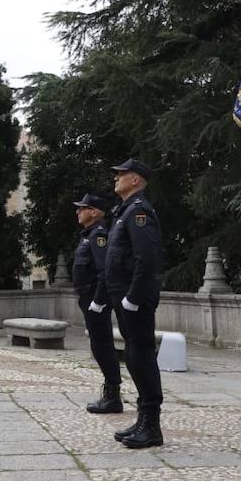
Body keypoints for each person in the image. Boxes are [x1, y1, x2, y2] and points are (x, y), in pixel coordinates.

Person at [90, 158, 164, 448]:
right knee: (134, 357)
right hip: (123, 296)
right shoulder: (125, 211)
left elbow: (147, 259)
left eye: (121, 175)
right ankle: (144, 419)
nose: (115, 178)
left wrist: (133, 297)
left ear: (135, 180)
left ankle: (152, 425)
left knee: (142, 357)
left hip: (136, 299)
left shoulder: (138, 212)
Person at [72, 192, 122, 414]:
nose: (78, 212)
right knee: (98, 344)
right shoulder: (89, 235)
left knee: (102, 345)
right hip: (88, 297)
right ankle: (111, 393)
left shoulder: (98, 235)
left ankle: (112, 396)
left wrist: (99, 301)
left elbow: (104, 272)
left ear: (93, 212)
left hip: (94, 297)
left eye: (82, 208)